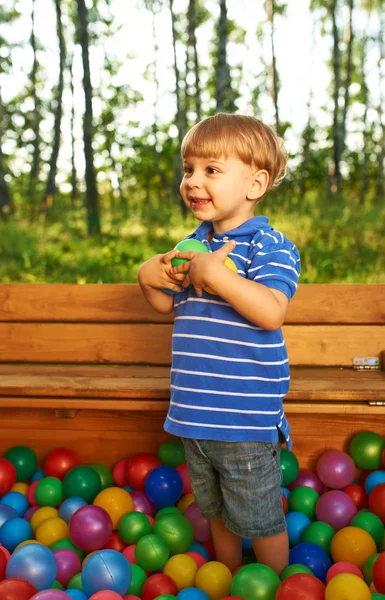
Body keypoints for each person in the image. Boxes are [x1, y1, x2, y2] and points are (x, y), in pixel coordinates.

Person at [138, 112, 300, 575]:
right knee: (215, 511)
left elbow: (271, 310)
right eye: (189, 169)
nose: (192, 181)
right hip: (194, 412)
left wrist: (216, 274)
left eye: (211, 170)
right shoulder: (192, 244)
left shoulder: (269, 245)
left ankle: (276, 582)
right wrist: (148, 276)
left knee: (261, 518)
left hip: (244, 416)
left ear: (255, 183)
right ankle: (226, 576)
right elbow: (164, 305)